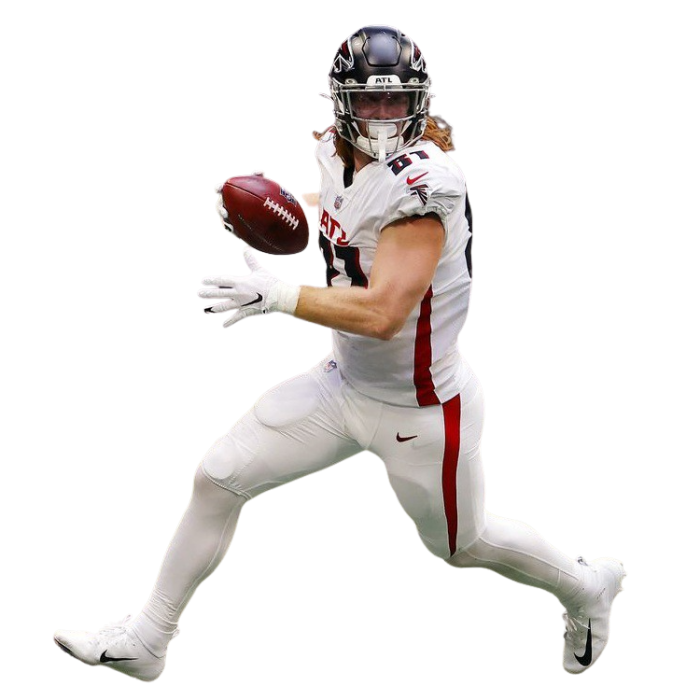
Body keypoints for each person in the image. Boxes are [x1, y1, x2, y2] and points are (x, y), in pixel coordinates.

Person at [52, 24, 626, 681]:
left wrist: (282, 297)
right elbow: (342, 210)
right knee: (218, 477)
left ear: (420, 102)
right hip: (344, 382)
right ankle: (148, 641)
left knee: (461, 544)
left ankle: (586, 588)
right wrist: (273, 210)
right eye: (368, 100)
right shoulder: (332, 147)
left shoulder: (428, 186)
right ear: (339, 101)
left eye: (394, 100)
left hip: (422, 407)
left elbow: (383, 313)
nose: (381, 115)